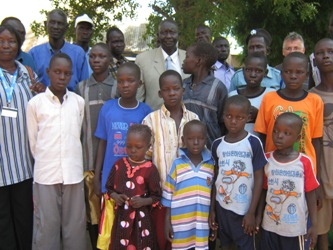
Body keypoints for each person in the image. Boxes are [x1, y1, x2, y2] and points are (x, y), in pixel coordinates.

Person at [26, 53, 86, 249]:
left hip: (73, 174)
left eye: (67, 73)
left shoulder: (78, 102)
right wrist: (48, 160)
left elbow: (77, 134)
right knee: (46, 226)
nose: (62, 77)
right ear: (48, 72)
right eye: (58, 72)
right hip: (46, 174)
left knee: (75, 227)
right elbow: (34, 141)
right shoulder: (35, 104)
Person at [142, 70, 199, 249]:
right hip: (161, 195)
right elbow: (145, 160)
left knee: (184, 242)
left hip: (188, 195)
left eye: (176, 88)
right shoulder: (151, 120)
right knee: (162, 239)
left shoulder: (193, 119)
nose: (172, 93)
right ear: (160, 93)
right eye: (166, 90)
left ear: (183, 90)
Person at [0, 24, 40, 250]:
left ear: (19, 46)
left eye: (11, 41)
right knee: (3, 220)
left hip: (23, 161)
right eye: (1, 41)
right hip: (0, 161)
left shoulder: (27, 73)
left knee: (25, 217)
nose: (6, 45)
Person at [210, 95, 267, 250]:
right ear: (223, 116)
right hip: (222, 208)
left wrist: (252, 213)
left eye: (239, 117)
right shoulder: (217, 145)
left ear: (248, 118)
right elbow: (216, 179)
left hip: (244, 210)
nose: (233, 121)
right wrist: (212, 210)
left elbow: (259, 180)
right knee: (226, 244)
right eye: (229, 116)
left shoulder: (253, 143)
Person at [75, 43, 117, 250]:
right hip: (88, 162)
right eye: (93, 57)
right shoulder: (81, 87)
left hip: (113, 164)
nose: (97, 60)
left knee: (114, 215)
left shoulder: (118, 86)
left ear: (109, 60)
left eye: (102, 57)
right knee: (93, 216)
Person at [254, 52, 323, 174]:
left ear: (306, 75)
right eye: (288, 71)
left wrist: (315, 172)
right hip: (273, 167)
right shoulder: (269, 98)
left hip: (303, 169)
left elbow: (316, 140)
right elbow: (262, 136)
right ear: (281, 73)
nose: (293, 76)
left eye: (299, 72)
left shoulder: (315, 101)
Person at [258, 112, 319, 250]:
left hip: (295, 228)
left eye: (287, 133)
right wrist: (258, 216)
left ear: (297, 138)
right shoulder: (266, 159)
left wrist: (314, 225)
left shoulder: (304, 162)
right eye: (276, 131)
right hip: (269, 225)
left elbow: (310, 194)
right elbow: (263, 190)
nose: (279, 136)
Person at [93, 62, 151, 198]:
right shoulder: (108, 108)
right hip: (110, 177)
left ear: (139, 83)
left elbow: (149, 149)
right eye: (121, 81)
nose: (125, 85)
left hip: (137, 178)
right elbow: (102, 144)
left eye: (130, 81)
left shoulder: (146, 112)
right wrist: (97, 176)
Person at [105, 124, 161, 249]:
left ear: (148, 147)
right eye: (129, 146)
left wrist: (143, 201)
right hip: (122, 220)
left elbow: (157, 196)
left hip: (142, 222)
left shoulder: (150, 169)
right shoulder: (119, 165)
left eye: (138, 147)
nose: (133, 150)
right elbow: (109, 188)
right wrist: (115, 196)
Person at [162, 120, 215, 250]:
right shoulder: (177, 164)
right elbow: (168, 194)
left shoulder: (211, 164)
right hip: (180, 224)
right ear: (183, 139)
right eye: (191, 139)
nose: (196, 143)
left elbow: (213, 192)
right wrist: (167, 221)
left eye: (200, 139)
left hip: (202, 225)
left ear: (206, 139)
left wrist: (212, 220)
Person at [309, 38, 333, 250]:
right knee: (321, 233)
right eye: (320, 53)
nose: (326, 56)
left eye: (330, 51)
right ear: (314, 60)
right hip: (323, 176)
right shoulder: (311, 97)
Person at [29, 9, 89, 91]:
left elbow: (84, 86)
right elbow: (30, 84)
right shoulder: (34, 54)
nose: (56, 27)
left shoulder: (78, 54)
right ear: (45, 24)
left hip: (72, 101)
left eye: (60, 24)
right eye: (52, 22)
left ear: (66, 27)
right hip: (42, 101)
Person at [182, 41, 228, 148]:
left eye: (187, 56)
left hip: (209, 150)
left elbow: (223, 123)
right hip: (184, 150)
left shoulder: (218, 88)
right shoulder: (182, 84)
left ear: (198, 60)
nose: (184, 61)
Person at [136, 19, 187, 110]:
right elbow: (139, 97)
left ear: (179, 35)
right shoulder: (143, 59)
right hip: (153, 120)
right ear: (158, 35)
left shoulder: (188, 58)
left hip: (185, 119)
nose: (168, 36)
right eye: (164, 33)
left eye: (172, 32)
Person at [229, 53, 275, 136]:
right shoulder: (233, 96)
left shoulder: (271, 95)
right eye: (249, 70)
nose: (253, 75)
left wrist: (258, 115)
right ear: (243, 71)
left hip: (261, 146)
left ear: (265, 72)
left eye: (258, 71)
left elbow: (275, 123)